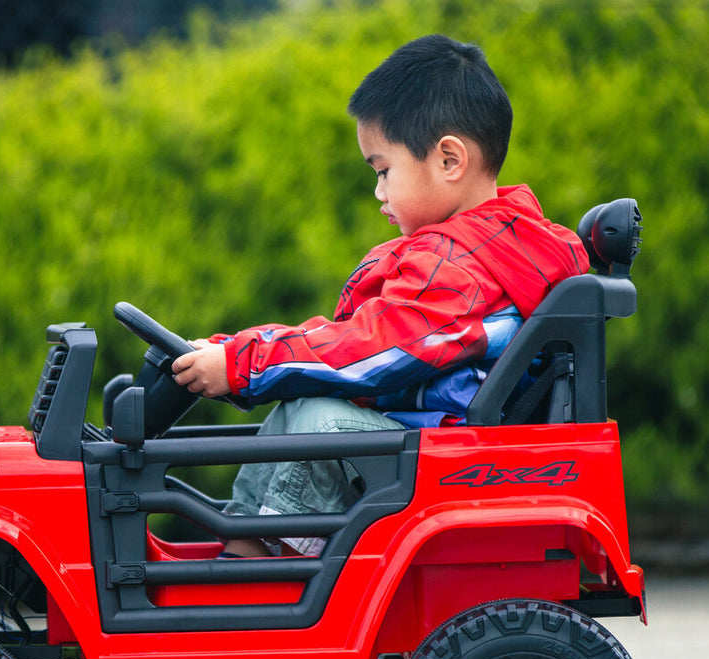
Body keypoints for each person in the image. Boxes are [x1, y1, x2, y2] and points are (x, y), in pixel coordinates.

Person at [171, 34, 587, 556]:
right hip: (438, 444)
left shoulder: (460, 264)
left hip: (451, 455)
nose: (378, 192)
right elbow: (355, 338)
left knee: (316, 422)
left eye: (383, 170)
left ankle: (271, 575)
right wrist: (237, 353)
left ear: (449, 159)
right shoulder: (485, 248)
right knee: (296, 409)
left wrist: (244, 363)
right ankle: (243, 552)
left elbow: (377, 349)